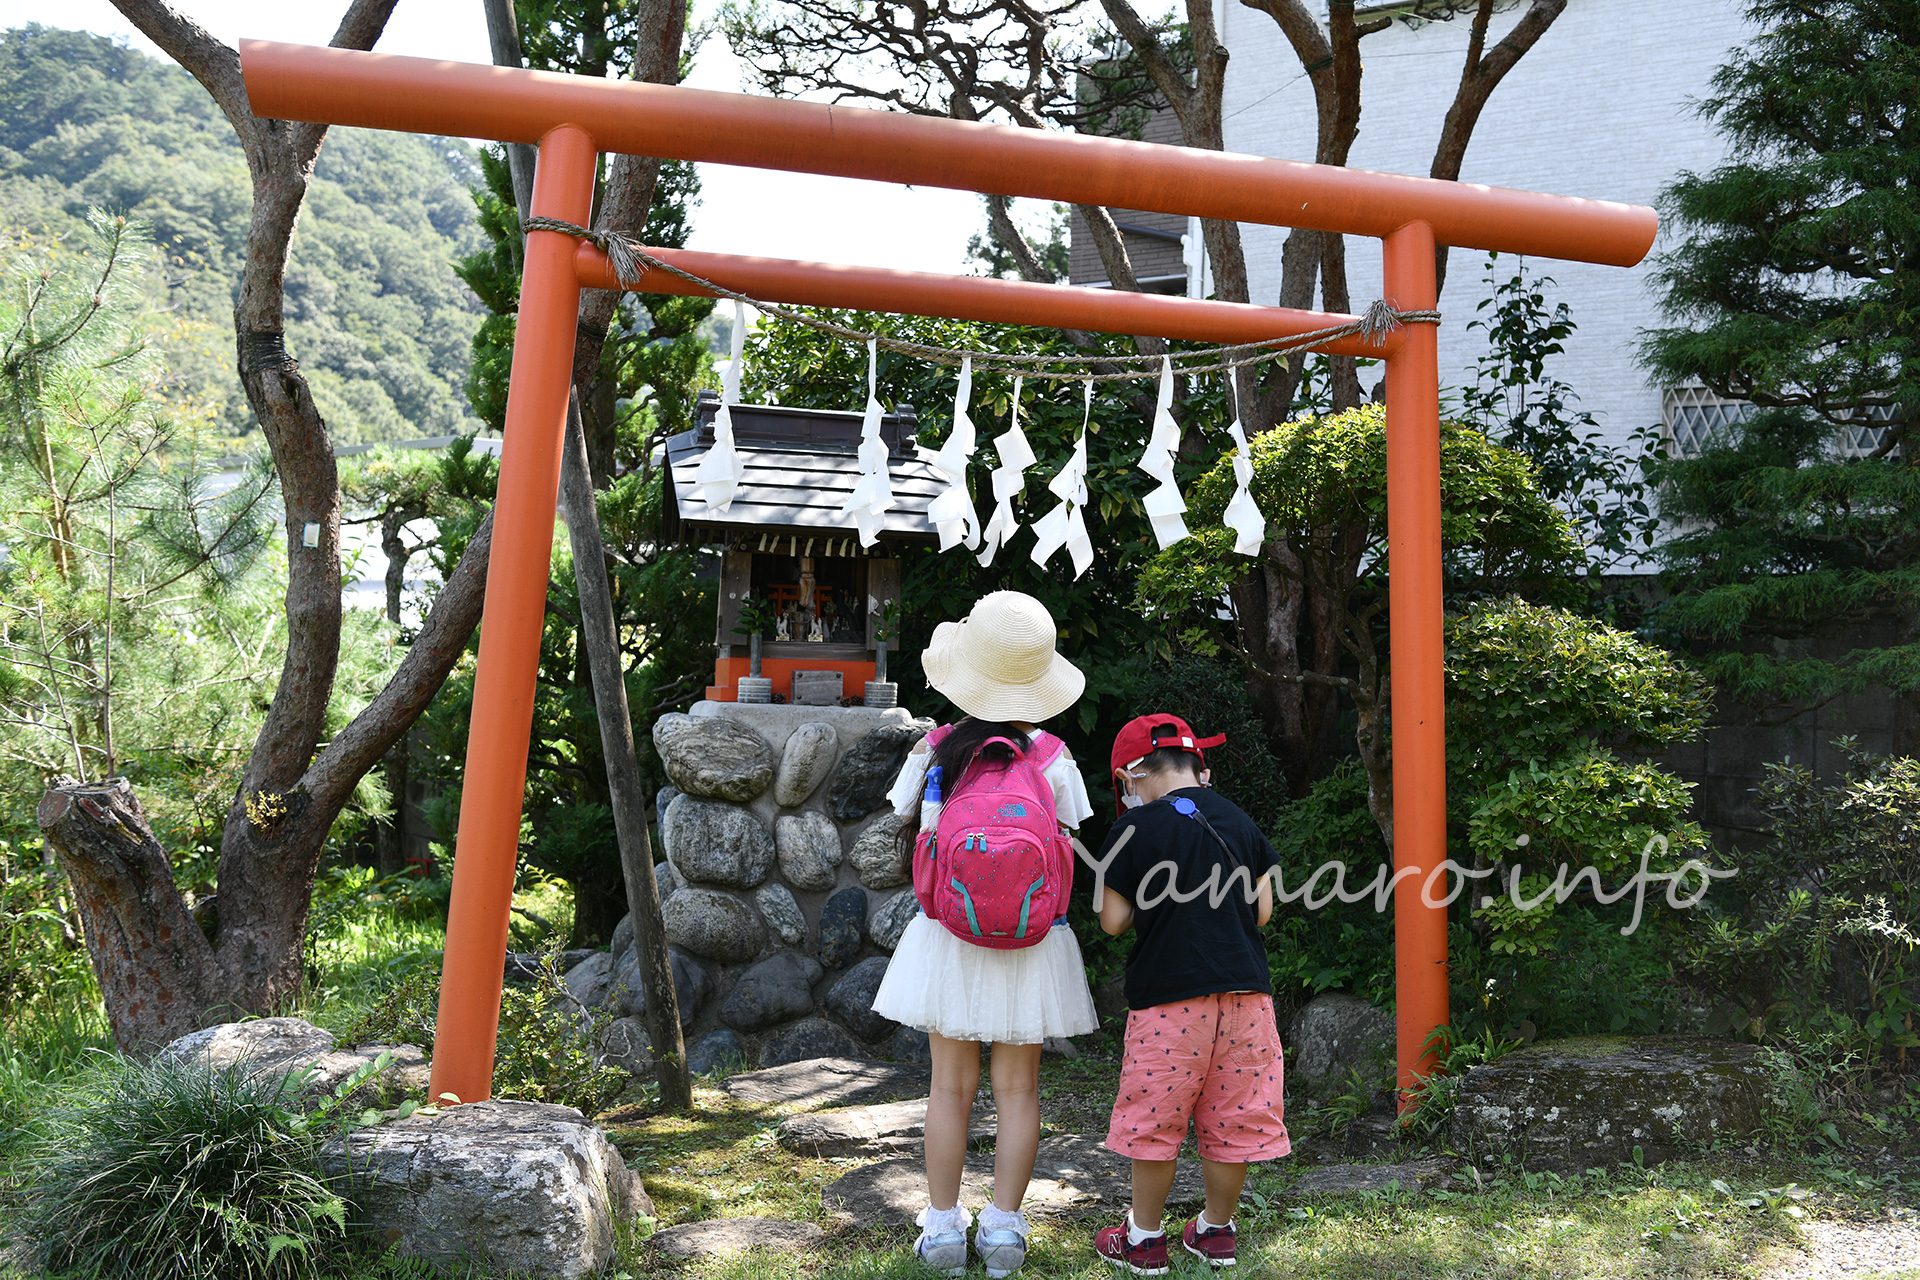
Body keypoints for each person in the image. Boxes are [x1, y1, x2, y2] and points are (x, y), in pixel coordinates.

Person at [871, 590, 1099, 1278]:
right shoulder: (1053, 757)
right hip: (1033, 939)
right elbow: (1065, 840)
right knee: (1019, 1090)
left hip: (950, 933)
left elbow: (905, 826)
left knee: (949, 1088)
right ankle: (1002, 1233)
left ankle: (943, 1232)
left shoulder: (937, 749)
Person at [1089, 714, 1290, 1275]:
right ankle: (1216, 1232)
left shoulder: (1133, 829)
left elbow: (1112, 921)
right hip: (1247, 998)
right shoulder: (1239, 819)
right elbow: (1263, 911)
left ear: (1129, 777)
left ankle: (1144, 1239)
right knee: (1236, 1116)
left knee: (1156, 1118)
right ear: (1199, 766)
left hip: (1170, 1001)